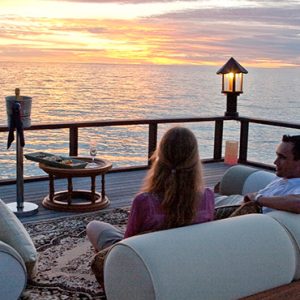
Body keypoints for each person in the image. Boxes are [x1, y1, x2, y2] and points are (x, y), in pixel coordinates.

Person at [86, 126, 215, 252]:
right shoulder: (207, 196)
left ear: (160, 156)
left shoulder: (144, 201)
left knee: (94, 226)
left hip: (146, 260)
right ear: (194, 159)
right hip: (185, 255)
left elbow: (128, 244)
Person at [216, 134, 300, 214]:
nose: (275, 162)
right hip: (238, 202)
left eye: (282, 158)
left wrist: (257, 198)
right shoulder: (285, 177)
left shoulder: (296, 186)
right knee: (206, 196)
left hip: (242, 214)